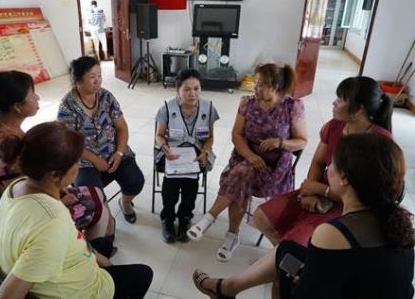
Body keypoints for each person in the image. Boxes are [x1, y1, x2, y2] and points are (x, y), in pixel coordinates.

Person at [191, 76, 394, 298]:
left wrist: (321, 191)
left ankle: (261, 272)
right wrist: (310, 190)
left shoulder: (379, 143)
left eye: (341, 99)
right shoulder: (334, 126)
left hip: (345, 205)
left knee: (290, 254)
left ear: (359, 109)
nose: (333, 103)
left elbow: (365, 195)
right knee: (261, 217)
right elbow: (317, 162)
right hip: (318, 189)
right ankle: (281, 260)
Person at [0, 121, 153, 299]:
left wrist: (99, 259)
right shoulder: (53, 225)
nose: (79, 167)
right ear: (54, 174)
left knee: (105, 245)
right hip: (83, 291)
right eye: (77, 162)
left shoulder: (17, 186)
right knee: (143, 274)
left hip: (68, 262)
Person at [0, 71, 116, 258]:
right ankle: (90, 258)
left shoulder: (5, 128)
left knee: (97, 194)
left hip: (34, 194)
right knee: (99, 208)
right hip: (28, 215)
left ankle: (98, 244)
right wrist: (58, 200)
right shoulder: (4, 146)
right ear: (17, 106)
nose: (38, 97)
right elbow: (21, 195)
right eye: (32, 95)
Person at [187, 63, 308, 262]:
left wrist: (280, 142)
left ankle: (215, 222)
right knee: (243, 174)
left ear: (275, 86)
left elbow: (302, 141)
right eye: (255, 83)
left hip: (275, 168)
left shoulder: (292, 106)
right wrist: (251, 156)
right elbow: (236, 135)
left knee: (239, 176)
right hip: (246, 156)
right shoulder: (247, 103)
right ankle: (229, 235)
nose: (255, 88)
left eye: (260, 85)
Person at [275, 133, 414, 299]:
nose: (328, 167)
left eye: (332, 162)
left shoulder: (334, 233)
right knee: (287, 250)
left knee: (287, 263)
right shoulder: (397, 223)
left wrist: (304, 281)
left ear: (344, 178)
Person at [58, 56, 145, 224]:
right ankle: (104, 221)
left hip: (114, 152)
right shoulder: (67, 105)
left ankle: (125, 203)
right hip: (84, 161)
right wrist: (94, 159)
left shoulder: (106, 97)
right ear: (77, 80)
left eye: (99, 75)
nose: (98, 81)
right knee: (92, 197)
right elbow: (68, 142)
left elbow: (122, 127)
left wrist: (119, 153)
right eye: (92, 77)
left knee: (136, 181)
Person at [155, 69, 220, 243]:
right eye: (187, 89)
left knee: (191, 183)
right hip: (172, 153)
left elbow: (210, 137)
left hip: (196, 153)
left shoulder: (209, 108)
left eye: (196, 88)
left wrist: (205, 152)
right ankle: (168, 218)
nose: (193, 94)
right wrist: (166, 148)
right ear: (178, 90)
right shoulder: (167, 108)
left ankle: (185, 216)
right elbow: (159, 135)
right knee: (172, 184)